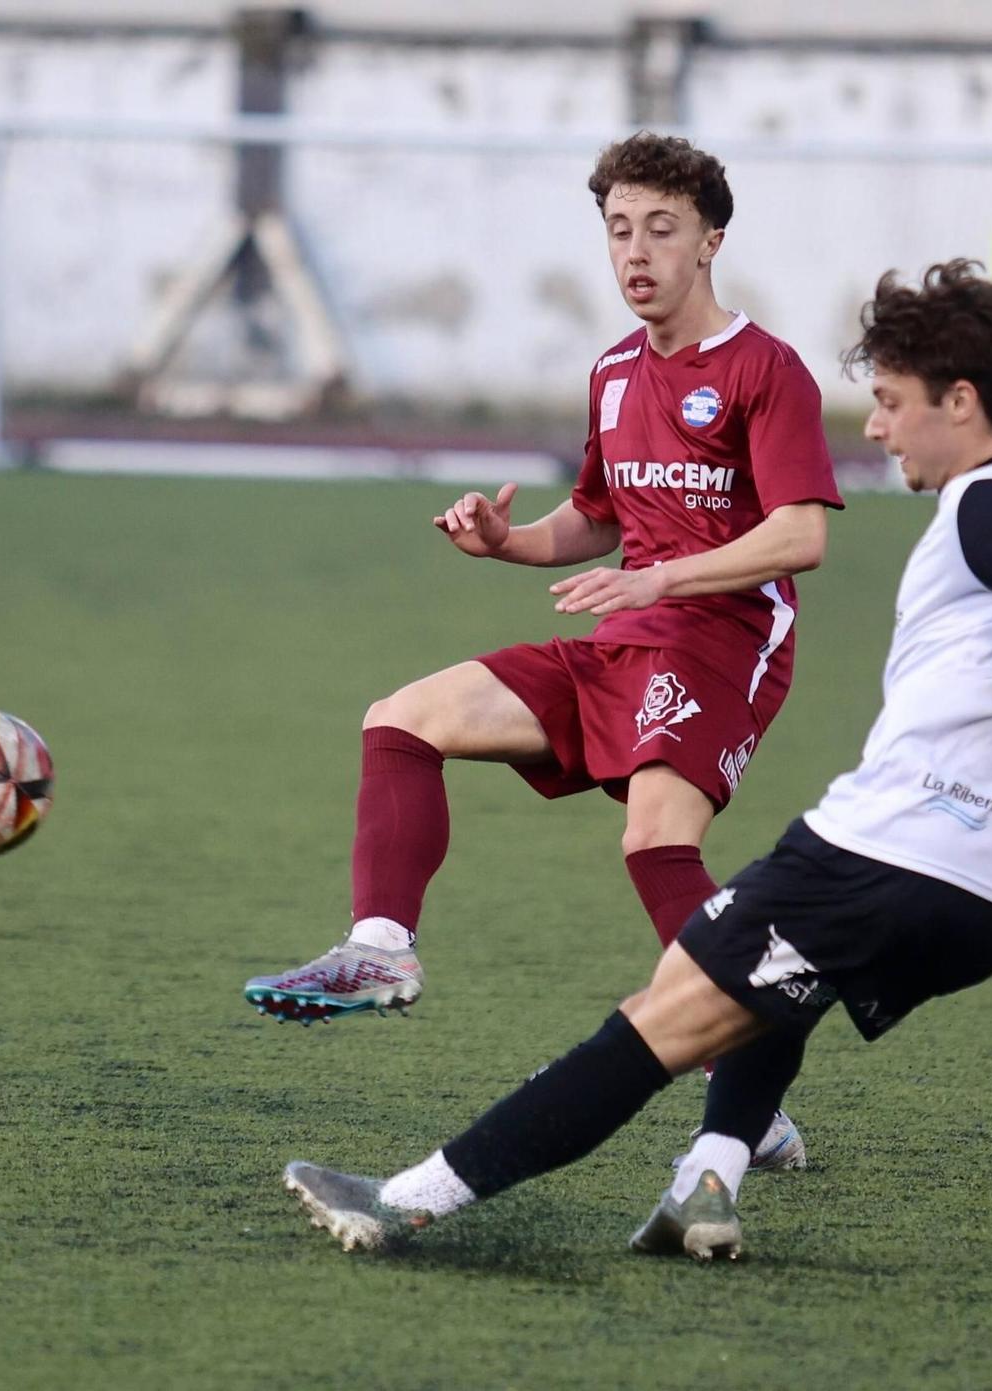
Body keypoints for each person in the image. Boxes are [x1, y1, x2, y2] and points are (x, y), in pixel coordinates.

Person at [280, 259, 992, 1260]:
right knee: (773, 980)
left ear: (959, 401)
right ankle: (706, 1175)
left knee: (661, 1017)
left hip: (892, 844)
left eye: (888, 402)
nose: (876, 429)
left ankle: (403, 1198)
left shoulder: (987, 505)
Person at [244, 133, 844, 1075]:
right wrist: (505, 543)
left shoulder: (765, 369)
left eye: (660, 229)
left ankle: (746, 1070)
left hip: (725, 640)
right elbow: (600, 518)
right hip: (624, 634)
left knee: (653, 839)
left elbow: (800, 535)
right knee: (400, 720)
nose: (636, 253)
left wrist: (663, 578)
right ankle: (379, 948)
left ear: (710, 241)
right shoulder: (613, 372)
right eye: (618, 231)